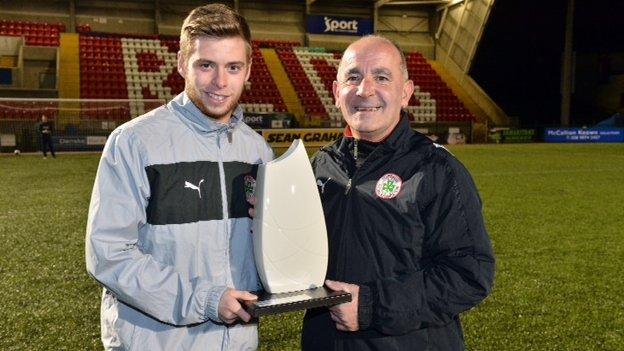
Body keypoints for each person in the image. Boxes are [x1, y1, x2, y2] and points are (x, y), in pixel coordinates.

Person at [85, 4, 273, 350]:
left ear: (248, 70)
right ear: (181, 63)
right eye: (206, 65)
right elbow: (110, 254)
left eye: (233, 67)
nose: (220, 81)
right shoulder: (134, 143)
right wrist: (205, 300)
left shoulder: (257, 152)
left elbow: (268, 252)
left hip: (237, 342)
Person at [301, 35, 495, 350]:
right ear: (337, 93)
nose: (365, 90)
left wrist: (370, 308)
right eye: (353, 77)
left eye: (381, 77)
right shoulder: (320, 165)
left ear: (406, 93)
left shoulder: (437, 169)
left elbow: (470, 274)